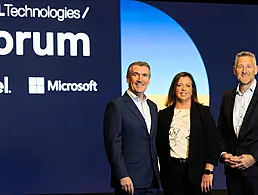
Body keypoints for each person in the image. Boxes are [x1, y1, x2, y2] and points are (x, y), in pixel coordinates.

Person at [156, 72, 220, 195]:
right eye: (179, 85)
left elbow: (213, 144)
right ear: (174, 88)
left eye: (187, 85)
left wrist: (208, 172)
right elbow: (158, 146)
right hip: (171, 175)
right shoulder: (163, 115)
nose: (183, 89)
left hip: (198, 174)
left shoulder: (203, 113)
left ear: (192, 90)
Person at [103, 61, 160, 195]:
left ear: (149, 79)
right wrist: (122, 175)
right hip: (129, 182)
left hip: (153, 181)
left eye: (144, 75)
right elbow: (113, 145)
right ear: (128, 78)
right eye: (136, 75)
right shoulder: (116, 106)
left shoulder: (152, 107)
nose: (140, 79)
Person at [218, 51, 258, 195]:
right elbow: (221, 131)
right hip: (232, 174)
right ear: (234, 70)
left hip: (256, 172)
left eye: (248, 66)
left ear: (256, 69)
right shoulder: (227, 96)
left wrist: (254, 157)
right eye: (240, 67)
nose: (244, 71)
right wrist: (223, 154)